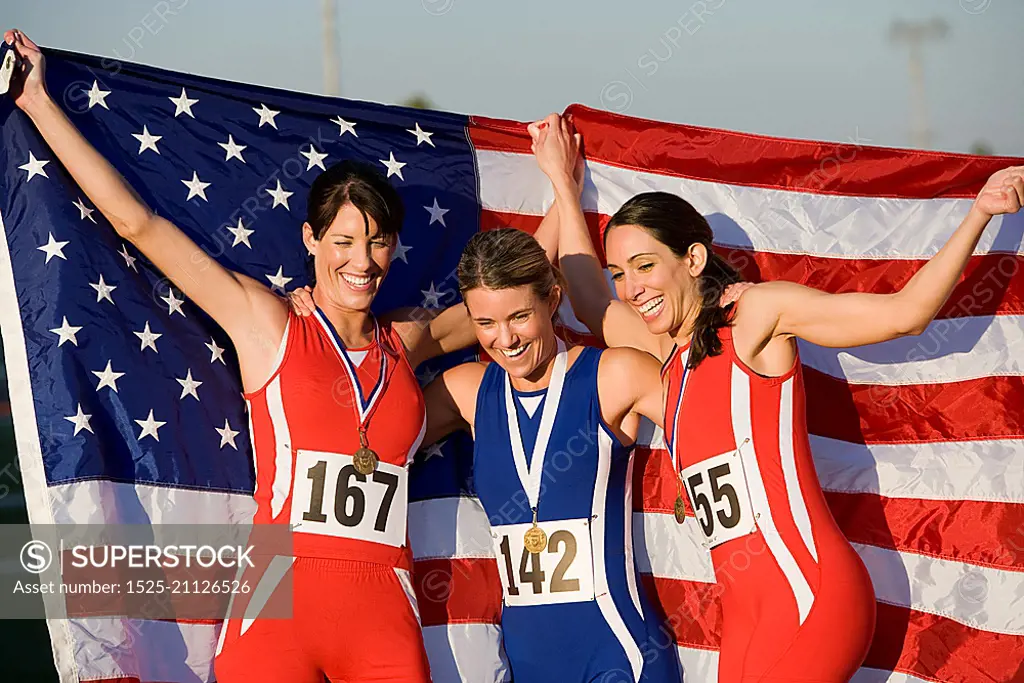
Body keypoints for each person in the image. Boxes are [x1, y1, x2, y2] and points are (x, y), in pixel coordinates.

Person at [4, 28, 552, 683]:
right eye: (344, 239)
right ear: (311, 240)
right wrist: (37, 103)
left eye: (378, 241)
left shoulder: (406, 341)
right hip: (274, 610)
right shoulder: (266, 321)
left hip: (384, 613)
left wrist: (560, 182)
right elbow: (139, 227)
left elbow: (516, 288)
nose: (362, 258)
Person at [532, 112, 1024, 682]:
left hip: (814, 599)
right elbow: (591, 298)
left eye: (645, 266)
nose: (632, 287)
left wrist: (979, 213)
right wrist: (562, 185)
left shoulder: (754, 317)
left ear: (692, 259)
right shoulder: (664, 355)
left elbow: (905, 316)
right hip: (744, 614)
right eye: (622, 271)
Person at [418, 223, 681, 683]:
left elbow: (716, 423)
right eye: (484, 323)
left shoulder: (613, 374)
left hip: (620, 658)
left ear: (552, 298)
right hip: (526, 666)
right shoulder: (466, 391)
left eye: (519, 316)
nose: (505, 339)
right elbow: (362, 436)